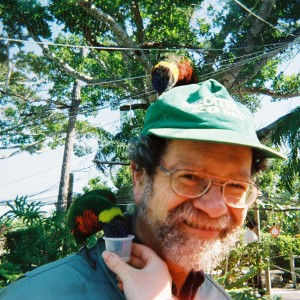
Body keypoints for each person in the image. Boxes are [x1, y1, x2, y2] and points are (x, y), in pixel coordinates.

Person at [0, 79, 284, 300]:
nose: (214, 207)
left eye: (236, 185)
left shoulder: (216, 295)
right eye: (190, 177)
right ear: (139, 176)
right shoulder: (41, 294)